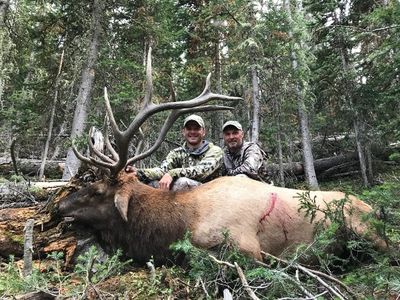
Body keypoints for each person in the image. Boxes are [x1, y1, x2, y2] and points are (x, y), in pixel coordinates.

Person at [135, 114, 223, 191]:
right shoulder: (176, 153)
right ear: (183, 132)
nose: (192, 132)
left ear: (203, 132)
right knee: (151, 184)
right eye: (189, 128)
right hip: (185, 198)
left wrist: (172, 174)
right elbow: (162, 170)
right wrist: (139, 172)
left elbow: (202, 172)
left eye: (196, 129)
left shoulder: (215, 151)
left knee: (182, 182)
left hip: (210, 194)